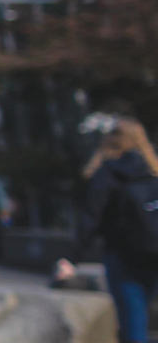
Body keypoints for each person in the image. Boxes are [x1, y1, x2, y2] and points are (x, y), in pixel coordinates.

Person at [67, 114, 158, 343]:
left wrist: (72, 258)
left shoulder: (107, 172)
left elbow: (91, 218)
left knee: (133, 322)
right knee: (139, 316)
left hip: (122, 255)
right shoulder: (153, 173)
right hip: (154, 254)